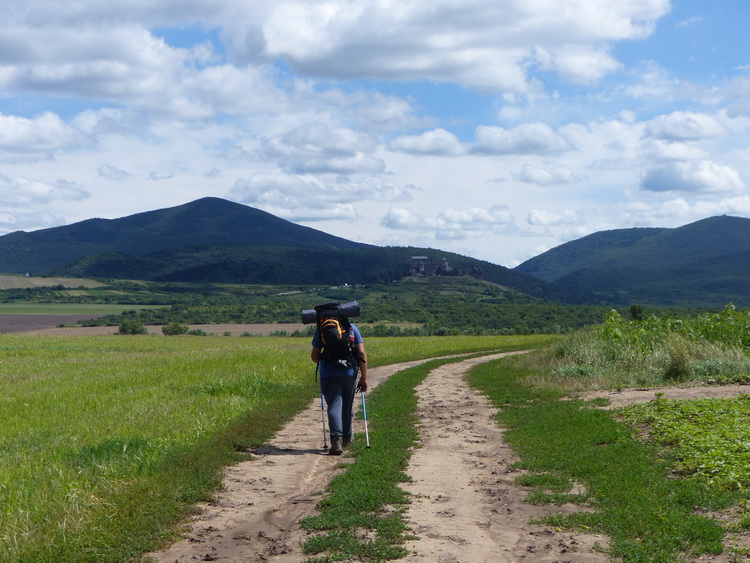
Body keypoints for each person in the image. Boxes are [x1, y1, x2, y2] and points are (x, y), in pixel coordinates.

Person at [311, 317, 368, 455]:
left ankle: (336, 440)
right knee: (347, 406)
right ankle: (347, 437)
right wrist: (364, 378)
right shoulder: (352, 329)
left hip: (328, 374)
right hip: (348, 373)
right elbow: (361, 353)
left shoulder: (322, 330)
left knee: (335, 405)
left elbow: (314, 357)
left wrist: (328, 357)